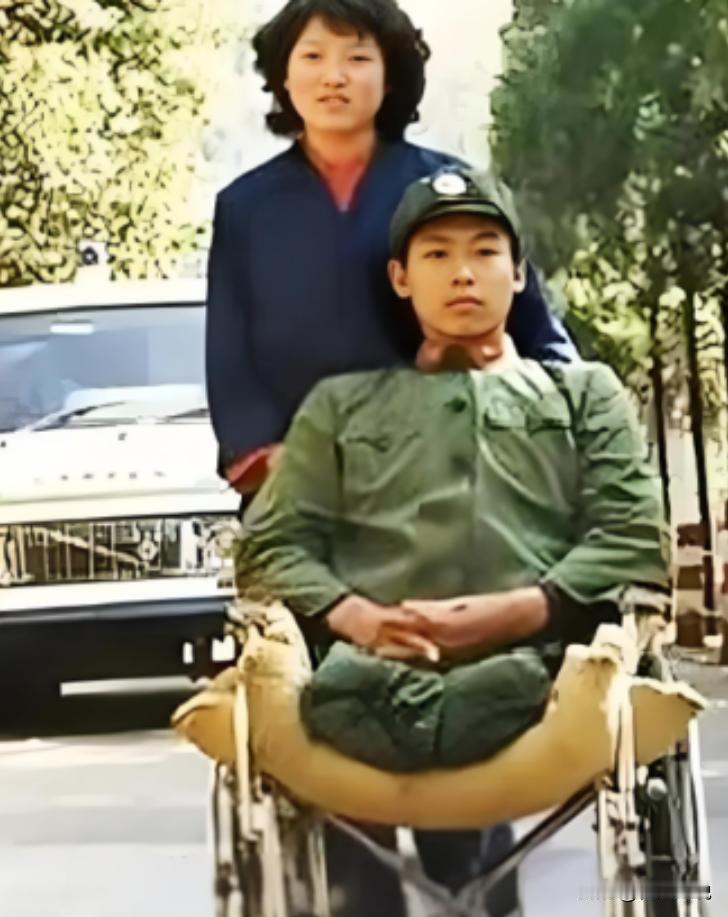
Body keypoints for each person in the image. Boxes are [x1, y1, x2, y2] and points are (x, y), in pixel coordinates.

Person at [235, 167, 670, 915]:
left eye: (484, 251)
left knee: (482, 747)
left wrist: (518, 611)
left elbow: (633, 536)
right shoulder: (342, 406)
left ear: (518, 272)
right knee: (345, 755)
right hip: (368, 669)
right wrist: (355, 615)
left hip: (537, 675)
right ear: (401, 278)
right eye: (436, 254)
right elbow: (268, 546)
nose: (463, 272)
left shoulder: (581, 396)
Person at [205, 0, 576, 499]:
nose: (334, 76)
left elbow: (537, 333)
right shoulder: (244, 207)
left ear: (391, 76)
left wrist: (561, 423)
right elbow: (230, 362)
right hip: (300, 488)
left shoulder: (452, 189)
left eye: (357, 58)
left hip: (452, 480)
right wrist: (277, 463)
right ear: (284, 76)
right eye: (313, 56)